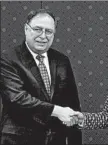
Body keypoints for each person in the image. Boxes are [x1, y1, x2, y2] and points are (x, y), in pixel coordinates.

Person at [0, 9, 82, 145]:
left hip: (56, 140)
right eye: (38, 29)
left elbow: (73, 104)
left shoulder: (62, 60)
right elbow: (17, 98)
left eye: (49, 31)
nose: (43, 36)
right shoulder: (8, 59)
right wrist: (57, 111)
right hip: (18, 140)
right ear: (26, 29)